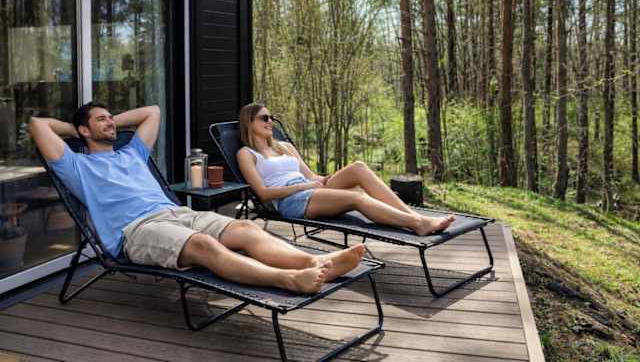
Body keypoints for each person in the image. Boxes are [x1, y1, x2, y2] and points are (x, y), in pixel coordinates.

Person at [29, 102, 365, 294]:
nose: (110, 124)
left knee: (247, 229)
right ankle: (289, 279)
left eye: (111, 118)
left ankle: (315, 262)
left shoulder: (131, 152)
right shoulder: (76, 166)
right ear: (84, 131)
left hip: (175, 213)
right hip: (136, 229)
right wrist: (77, 129)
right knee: (204, 246)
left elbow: (153, 111)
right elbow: (37, 124)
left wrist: (107, 121)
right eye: (101, 120)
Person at [237, 103, 456, 236]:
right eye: (264, 118)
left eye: (272, 117)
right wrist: (304, 187)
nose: (270, 121)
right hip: (291, 200)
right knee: (357, 198)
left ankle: (413, 215)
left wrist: (329, 178)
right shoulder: (247, 154)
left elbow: (312, 176)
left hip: (311, 188)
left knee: (358, 167)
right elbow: (263, 193)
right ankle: (418, 224)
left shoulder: (284, 146)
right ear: (249, 122)